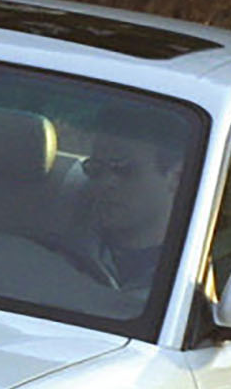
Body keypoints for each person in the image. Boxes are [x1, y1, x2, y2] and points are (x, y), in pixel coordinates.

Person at [71, 107, 190, 290]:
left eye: (123, 170)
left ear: (176, 177)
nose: (105, 183)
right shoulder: (59, 250)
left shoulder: (192, 274)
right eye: (95, 168)